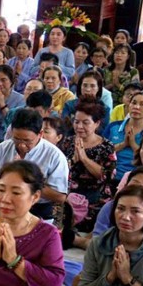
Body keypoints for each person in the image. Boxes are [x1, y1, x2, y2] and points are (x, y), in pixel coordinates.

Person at [0, 108, 69, 220]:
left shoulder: (54, 155)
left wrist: (27, 180)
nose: (21, 145)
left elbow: (60, 196)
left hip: (39, 210)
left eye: (27, 140)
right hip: (6, 205)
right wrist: (8, 178)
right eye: (16, 139)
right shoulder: (3, 148)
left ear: (40, 134)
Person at [61, 99, 116, 231]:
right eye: (76, 122)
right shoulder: (67, 142)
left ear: (97, 123)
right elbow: (60, 170)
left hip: (95, 199)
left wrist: (84, 158)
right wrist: (73, 160)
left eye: (85, 123)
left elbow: (108, 176)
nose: (79, 126)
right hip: (69, 196)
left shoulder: (106, 146)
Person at [107, 89, 143, 181]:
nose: (136, 107)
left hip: (138, 180)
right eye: (134, 103)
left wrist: (133, 143)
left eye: (142, 104)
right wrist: (123, 144)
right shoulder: (113, 126)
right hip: (110, 176)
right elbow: (101, 152)